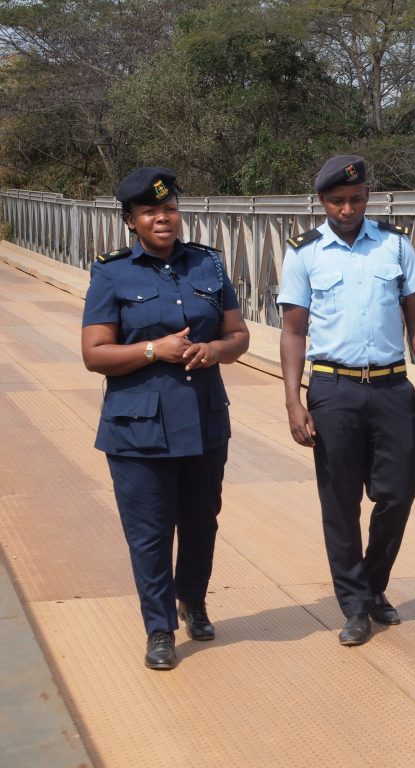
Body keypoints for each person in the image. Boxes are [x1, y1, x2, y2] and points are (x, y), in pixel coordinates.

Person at [81, 167, 251, 670]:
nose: (163, 218)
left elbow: (239, 335)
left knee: (201, 522)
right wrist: (155, 349)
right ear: (131, 220)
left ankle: (193, 601)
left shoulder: (209, 265)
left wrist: (214, 349)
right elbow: (94, 354)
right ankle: (159, 628)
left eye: (170, 208)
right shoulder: (111, 272)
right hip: (138, 428)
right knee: (150, 532)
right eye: (150, 212)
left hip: (203, 420)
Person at [277, 154, 415, 647]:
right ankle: (354, 605)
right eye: (336, 200)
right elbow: (292, 331)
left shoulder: (395, 245)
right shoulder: (304, 252)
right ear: (322, 202)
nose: (347, 208)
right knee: (341, 501)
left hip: (392, 387)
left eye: (355, 199)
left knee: (397, 491)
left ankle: (372, 584)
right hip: (333, 389)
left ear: (368, 197)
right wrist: (292, 399)